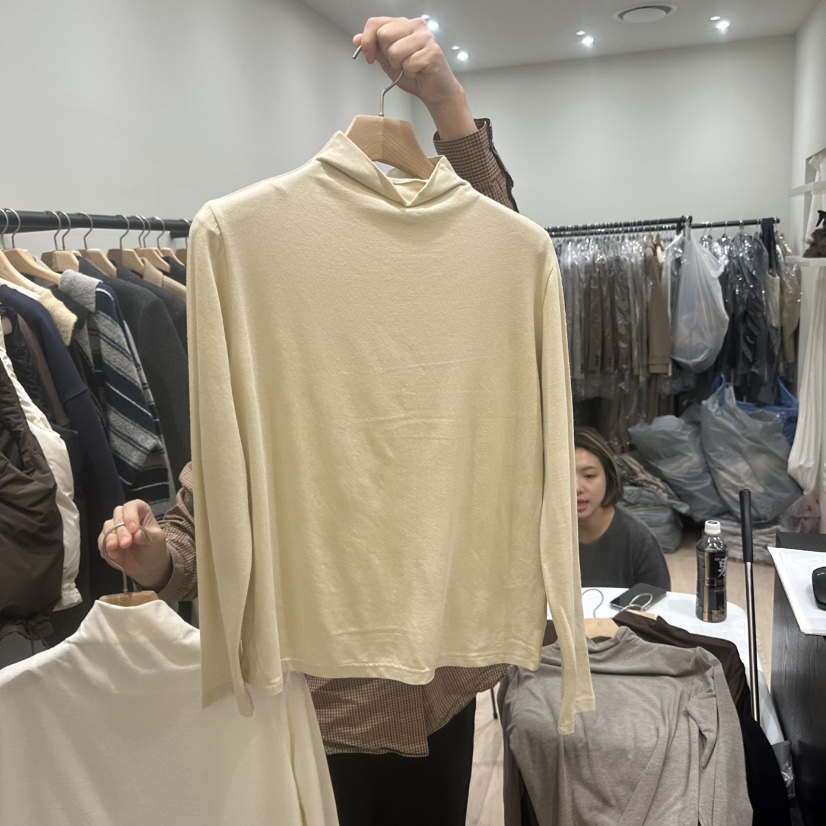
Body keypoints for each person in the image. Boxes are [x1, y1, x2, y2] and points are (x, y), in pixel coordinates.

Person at [99, 16, 516, 826]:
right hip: (318, 711)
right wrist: (150, 557)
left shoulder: (444, 376)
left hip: (442, 683)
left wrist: (448, 105)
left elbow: (497, 251)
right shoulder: (272, 381)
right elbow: (201, 536)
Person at [574, 427, 671, 591]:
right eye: (565, 476)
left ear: (609, 477)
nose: (577, 488)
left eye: (589, 476)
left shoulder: (639, 540)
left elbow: (657, 602)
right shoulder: (542, 535)